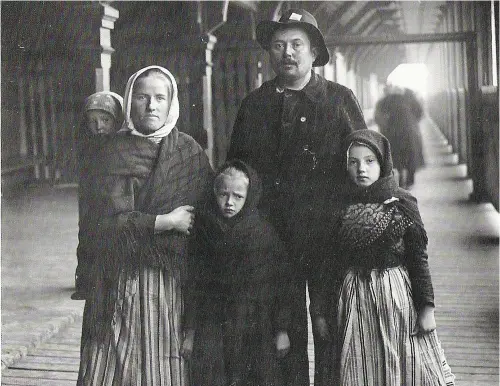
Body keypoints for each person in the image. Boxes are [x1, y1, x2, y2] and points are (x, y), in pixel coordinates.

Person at [227, 8, 368, 385]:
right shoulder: (254, 105)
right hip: (272, 240)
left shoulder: (339, 100)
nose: (287, 52)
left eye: (296, 44)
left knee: (329, 329)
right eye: (278, 45)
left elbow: (365, 164)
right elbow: (235, 171)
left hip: (327, 237)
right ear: (269, 53)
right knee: (280, 335)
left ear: (313, 51)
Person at [77, 65, 213, 385]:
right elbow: (103, 225)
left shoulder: (189, 153)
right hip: (117, 281)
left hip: (172, 282)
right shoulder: (111, 152)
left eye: (159, 98)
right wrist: (165, 222)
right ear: (129, 102)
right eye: (142, 97)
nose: (151, 105)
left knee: (164, 364)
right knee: (113, 362)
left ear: (171, 103)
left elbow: (204, 221)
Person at [312, 129, 455, 385]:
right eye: (353, 162)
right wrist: (321, 312)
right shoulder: (337, 208)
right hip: (355, 298)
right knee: (360, 366)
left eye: (369, 161)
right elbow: (326, 263)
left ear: (383, 162)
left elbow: (418, 259)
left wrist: (426, 308)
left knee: (405, 361)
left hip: (396, 296)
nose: (361, 169)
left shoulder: (402, 204)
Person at [182, 159, 292, 386]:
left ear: (250, 196)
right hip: (213, 322)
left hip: (254, 323)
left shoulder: (263, 233)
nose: (229, 202)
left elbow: (280, 284)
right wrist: (191, 332)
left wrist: (281, 329)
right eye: (223, 194)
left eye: (238, 196)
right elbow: (194, 283)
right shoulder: (204, 231)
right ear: (214, 192)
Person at [72, 91, 124, 300]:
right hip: (92, 197)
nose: (99, 126)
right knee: (87, 234)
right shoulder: (88, 145)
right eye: (92, 121)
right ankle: (85, 281)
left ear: (117, 120)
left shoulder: (123, 144)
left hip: (115, 200)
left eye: (105, 120)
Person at [374, 92, 425, 188]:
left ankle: (402, 181)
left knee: (398, 158)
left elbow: (378, 118)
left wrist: (384, 129)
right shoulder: (410, 97)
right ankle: (410, 180)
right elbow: (420, 112)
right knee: (410, 156)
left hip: (393, 133)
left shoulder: (385, 101)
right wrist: (413, 122)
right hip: (409, 131)